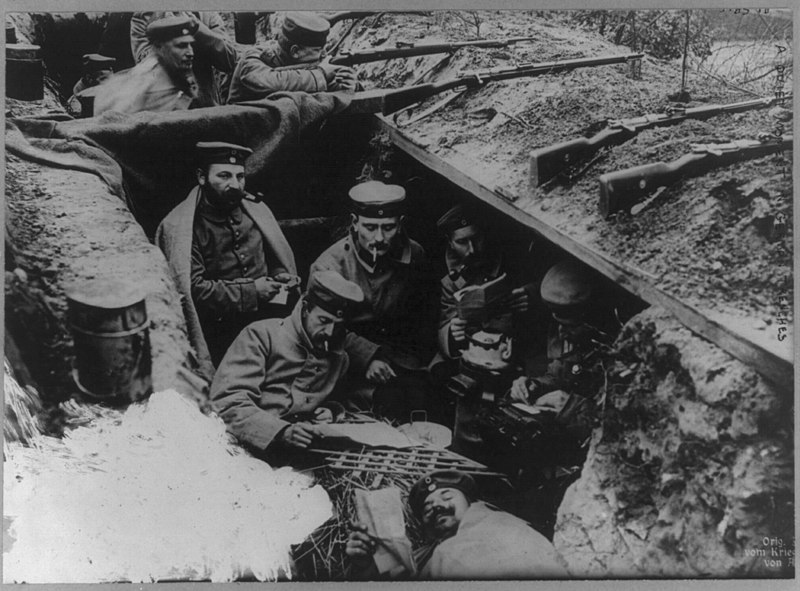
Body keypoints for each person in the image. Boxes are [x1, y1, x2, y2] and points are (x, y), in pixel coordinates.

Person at [155, 141, 299, 376]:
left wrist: (279, 277)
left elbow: (275, 260)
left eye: (240, 177)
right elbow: (194, 290)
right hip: (219, 335)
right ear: (202, 177)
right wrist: (252, 291)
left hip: (265, 322)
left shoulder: (256, 212)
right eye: (224, 176)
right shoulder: (182, 227)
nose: (235, 185)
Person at [309, 180, 436, 420]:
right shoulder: (329, 266)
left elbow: (423, 314)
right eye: (370, 227)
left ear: (400, 225)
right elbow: (318, 327)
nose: (379, 237)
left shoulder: (415, 254)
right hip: (342, 357)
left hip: (400, 356)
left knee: (423, 404)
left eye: (388, 227)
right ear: (354, 223)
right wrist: (367, 357)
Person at [210, 270, 376, 453]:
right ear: (306, 309)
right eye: (323, 320)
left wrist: (330, 411)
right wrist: (281, 432)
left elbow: (338, 399)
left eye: (338, 325)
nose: (329, 332)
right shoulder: (261, 335)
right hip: (243, 446)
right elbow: (228, 402)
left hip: (302, 452)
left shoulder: (339, 358)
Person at [345, 470, 568, 579]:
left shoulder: (496, 525)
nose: (437, 506)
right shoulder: (428, 554)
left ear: (473, 503)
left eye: (447, 496)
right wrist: (365, 564)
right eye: (427, 507)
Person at [433, 204, 534, 369]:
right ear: (449, 243)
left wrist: (530, 295)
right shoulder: (450, 281)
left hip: (513, 347)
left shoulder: (512, 259)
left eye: (476, 238)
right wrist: (452, 333)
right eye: (462, 242)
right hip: (475, 350)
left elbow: (546, 284)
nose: (472, 250)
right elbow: (445, 322)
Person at [227, 11, 357, 104]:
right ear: (295, 51)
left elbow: (320, 88)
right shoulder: (252, 60)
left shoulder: (309, 67)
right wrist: (321, 74)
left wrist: (345, 85)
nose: (323, 55)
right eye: (317, 50)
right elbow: (273, 83)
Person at [94, 16, 211, 115]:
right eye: (181, 46)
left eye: (191, 45)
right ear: (159, 47)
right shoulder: (141, 89)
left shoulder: (184, 80)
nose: (190, 53)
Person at [130, 11, 238, 107]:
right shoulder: (144, 15)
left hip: (206, 106)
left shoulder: (206, 14)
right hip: (165, 107)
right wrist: (166, 28)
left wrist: (196, 28)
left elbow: (229, 59)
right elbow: (145, 64)